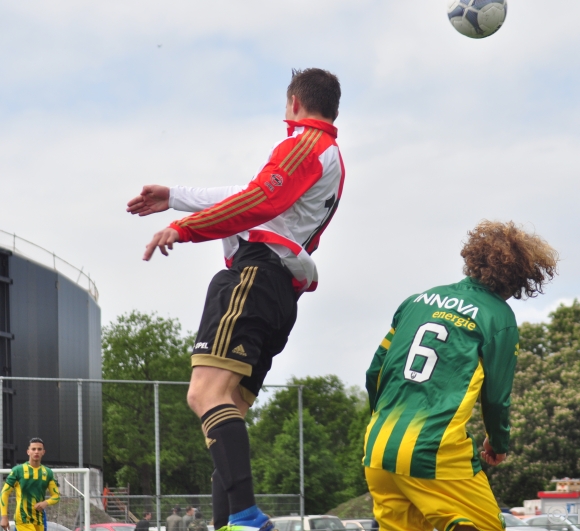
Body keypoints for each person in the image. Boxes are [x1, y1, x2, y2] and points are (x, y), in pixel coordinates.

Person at [126, 68, 343, 531]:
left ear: (293, 104)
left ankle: (246, 516)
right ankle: (230, 524)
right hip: (278, 291)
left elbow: (260, 199)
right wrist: (178, 197)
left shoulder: (306, 144)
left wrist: (185, 228)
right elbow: (250, 193)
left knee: (204, 393)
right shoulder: (323, 158)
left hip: (255, 276)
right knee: (227, 410)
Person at [363, 221, 558, 531]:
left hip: (378, 450)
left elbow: (375, 371)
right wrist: (497, 441)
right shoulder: (498, 317)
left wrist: (380, 420)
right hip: (434, 452)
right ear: (521, 279)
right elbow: (496, 397)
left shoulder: (416, 301)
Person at [0, 438, 60, 531]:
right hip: (22, 518)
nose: (36, 452)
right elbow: (4, 493)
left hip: (39, 519)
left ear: (43, 452)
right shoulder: (18, 470)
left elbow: (56, 496)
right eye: (33, 449)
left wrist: (45, 503)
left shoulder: (48, 472)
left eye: (39, 449)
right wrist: (4, 517)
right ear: (28, 452)